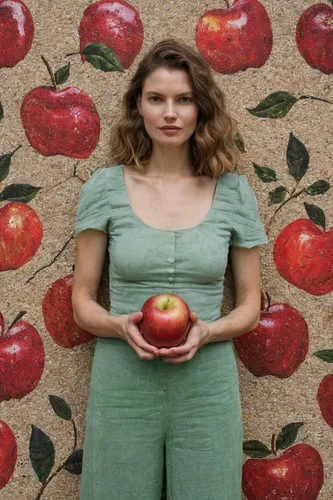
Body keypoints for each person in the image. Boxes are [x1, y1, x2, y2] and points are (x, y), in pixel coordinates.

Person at [72, 37, 268, 500]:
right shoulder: (105, 188)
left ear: (201, 107)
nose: (170, 113)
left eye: (184, 99)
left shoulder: (234, 193)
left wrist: (209, 331)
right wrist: (118, 326)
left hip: (207, 388)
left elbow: (249, 306)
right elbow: (81, 302)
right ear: (137, 105)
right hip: (122, 385)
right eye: (156, 99)